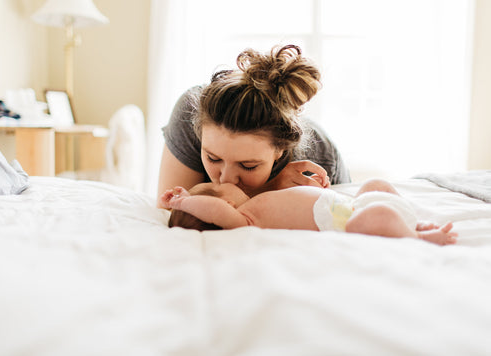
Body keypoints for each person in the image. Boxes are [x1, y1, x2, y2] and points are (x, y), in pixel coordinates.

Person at [157, 44, 350, 207]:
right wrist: (270, 188)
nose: (226, 179)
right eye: (213, 158)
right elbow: (171, 211)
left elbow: (343, 226)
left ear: (280, 150)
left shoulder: (317, 161)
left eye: (248, 166)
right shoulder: (190, 112)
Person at [160, 179, 458, 246]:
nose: (226, 181)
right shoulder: (241, 221)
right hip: (349, 222)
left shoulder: (257, 203)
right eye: (217, 188)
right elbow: (212, 209)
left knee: (375, 184)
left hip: (351, 205)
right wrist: (185, 203)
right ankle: (418, 235)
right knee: (375, 216)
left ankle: (414, 219)